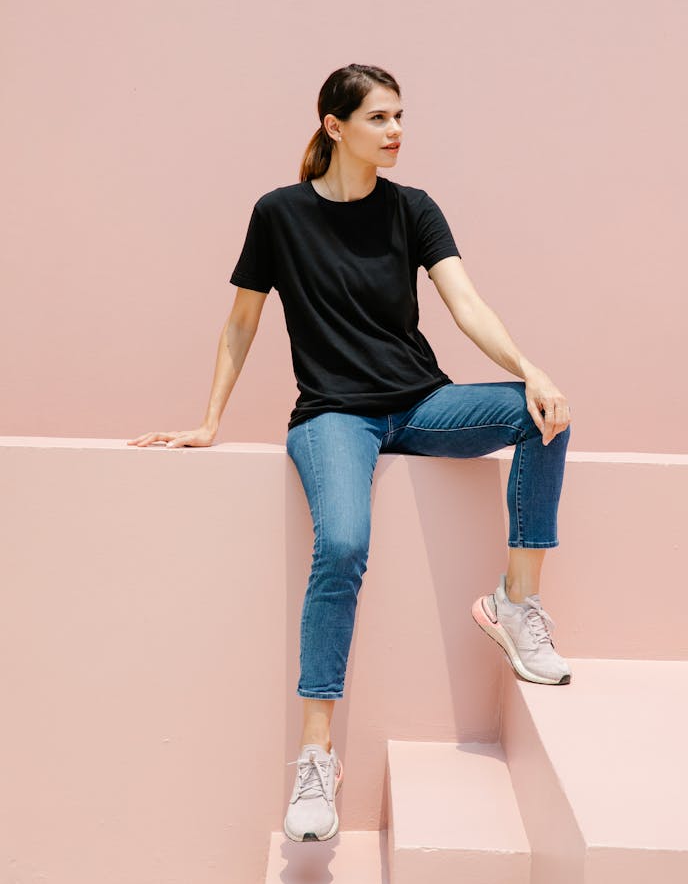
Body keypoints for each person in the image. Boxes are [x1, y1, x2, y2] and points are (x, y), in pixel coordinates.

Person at [127, 62, 573, 844]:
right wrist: (208, 422)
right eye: (379, 118)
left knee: (545, 417)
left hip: (421, 402)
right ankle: (315, 755)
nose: (396, 130)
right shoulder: (280, 214)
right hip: (333, 414)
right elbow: (241, 323)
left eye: (400, 116)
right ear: (335, 127)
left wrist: (527, 368)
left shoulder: (414, 209)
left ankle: (515, 600)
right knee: (341, 542)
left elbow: (464, 301)